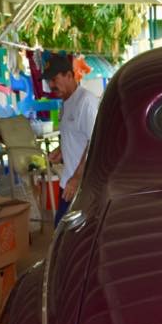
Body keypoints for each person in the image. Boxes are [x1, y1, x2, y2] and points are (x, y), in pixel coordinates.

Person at [43, 53, 99, 225]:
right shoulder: (66, 102)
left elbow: (95, 143)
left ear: (69, 75)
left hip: (82, 186)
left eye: (54, 79)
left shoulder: (86, 102)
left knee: (66, 232)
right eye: (49, 80)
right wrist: (61, 150)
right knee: (62, 231)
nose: (51, 85)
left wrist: (76, 179)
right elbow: (76, 135)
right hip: (68, 182)